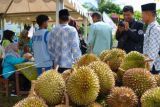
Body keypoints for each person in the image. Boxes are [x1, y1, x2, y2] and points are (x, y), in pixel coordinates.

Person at [48, 9, 81, 73]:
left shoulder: (54, 30)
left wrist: (53, 60)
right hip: (69, 64)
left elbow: (50, 47)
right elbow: (75, 47)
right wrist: (78, 60)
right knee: (68, 82)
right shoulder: (72, 30)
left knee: (59, 82)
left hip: (57, 65)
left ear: (59, 19)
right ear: (69, 19)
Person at [142, 3, 160, 74]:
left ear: (148, 14)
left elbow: (153, 51)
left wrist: (147, 69)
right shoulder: (151, 27)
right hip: (150, 66)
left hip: (152, 67)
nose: (141, 16)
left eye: (142, 14)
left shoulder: (154, 29)